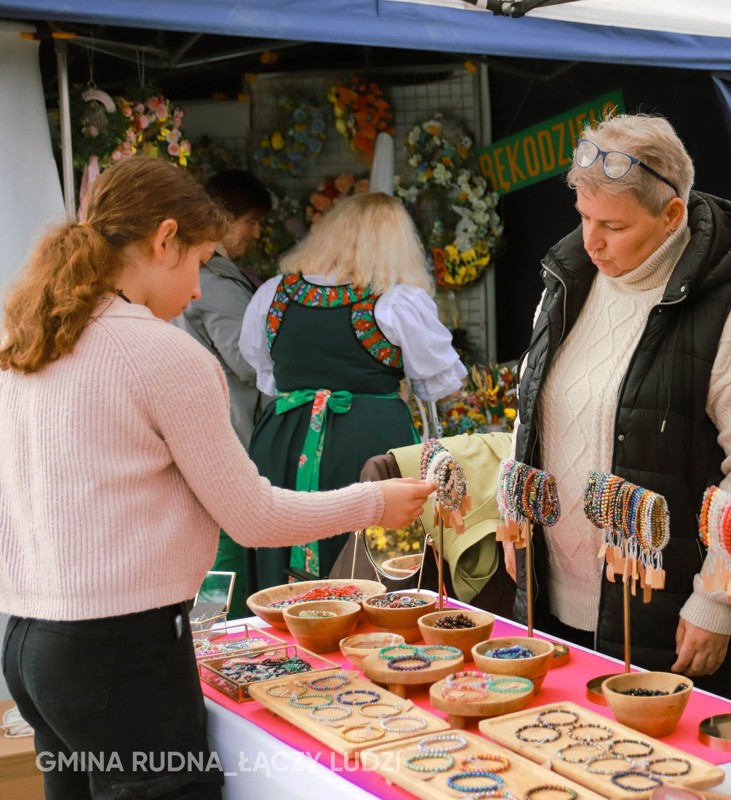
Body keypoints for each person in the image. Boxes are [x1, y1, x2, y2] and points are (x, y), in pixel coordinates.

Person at [0, 157, 436, 800]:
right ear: (165, 239)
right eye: (202, 262)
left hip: (29, 642)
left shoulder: (31, 336)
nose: (201, 292)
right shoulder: (163, 354)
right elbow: (253, 517)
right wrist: (375, 501)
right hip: (120, 648)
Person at [506, 113, 731, 699]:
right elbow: (531, 411)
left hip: (667, 614)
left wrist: (716, 599)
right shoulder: (566, 282)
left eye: (613, 225)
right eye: (584, 217)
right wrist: (512, 512)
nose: (591, 241)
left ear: (671, 215)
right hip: (549, 598)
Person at [240, 191, 466, 590]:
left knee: (280, 535)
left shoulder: (274, 293)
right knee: (373, 555)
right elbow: (439, 383)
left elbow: (265, 372)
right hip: (368, 439)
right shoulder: (396, 302)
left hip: (284, 438)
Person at [174, 169, 273, 619]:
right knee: (227, 551)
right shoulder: (214, 283)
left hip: (213, 429)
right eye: (251, 222)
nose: (255, 233)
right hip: (232, 430)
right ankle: (215, 638)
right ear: (225, 218)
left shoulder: (207, 276)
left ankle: (209, 633)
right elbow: (249, 363)